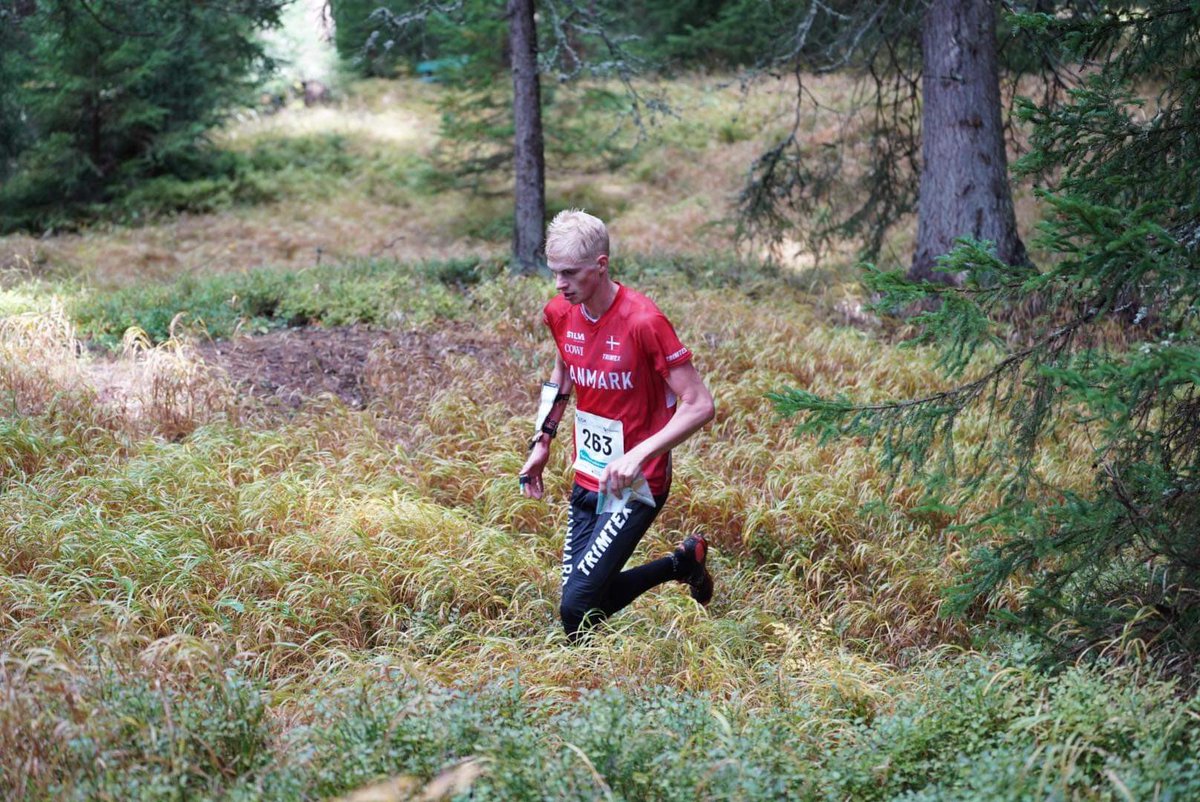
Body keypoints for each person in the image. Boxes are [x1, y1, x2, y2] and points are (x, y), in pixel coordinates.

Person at [518, 209, 717, 642]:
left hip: (638, 483)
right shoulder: (559, 313)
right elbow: (563, 373)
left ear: (601, 265)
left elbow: (699, 404)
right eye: (554, 272)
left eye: (570, 273)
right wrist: (542, 441)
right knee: (581, 603)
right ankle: (683, 565)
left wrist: (639, 454)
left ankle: (586, 693)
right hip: (588, 474)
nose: (559, 284)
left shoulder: (644, 322)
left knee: (575, 609)